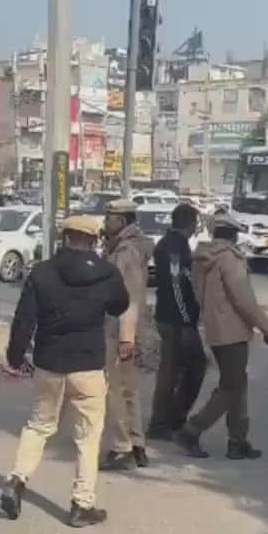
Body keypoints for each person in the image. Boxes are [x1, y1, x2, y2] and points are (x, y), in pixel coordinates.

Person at [0, 216, 130, 528]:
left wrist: (15, 356)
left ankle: (17, 479)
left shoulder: (42, 272)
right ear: (95, 240)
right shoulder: (107, 273)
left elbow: (24, 318)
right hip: (88, 365)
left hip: (49, 363)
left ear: (64, 237)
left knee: (39, 426)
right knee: (87, 437)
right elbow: (120, 306)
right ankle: (81, 505)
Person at [174, 213, 268, 460]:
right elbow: (244, 300)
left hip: (214, 328)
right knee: (231, 386)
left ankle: (238, 440)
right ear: (234, 235)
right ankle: (192, 431)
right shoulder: (229, 259)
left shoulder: (203, 257)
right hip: (232, 330)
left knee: (237, 383)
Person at [98, 199, 155, 471]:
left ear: (122, 221)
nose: (105, 221)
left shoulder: (125, 252)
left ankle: (122, 447)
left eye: (110, 217)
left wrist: (125, 338)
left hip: (118, 329)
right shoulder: (125, 247)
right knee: (128, 389)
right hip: (125, 329)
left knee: (115, 391)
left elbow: (129, 297)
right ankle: (136, 443)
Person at [147, 203, 209, 441]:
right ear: (191, 224)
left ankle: (171, 418)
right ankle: (163, 422)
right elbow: (176, 286)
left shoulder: (175, 244)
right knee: (173, 370)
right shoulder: (173, 248)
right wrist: (186, 320)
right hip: (175, 319)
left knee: (184, 367)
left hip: (174, 316)